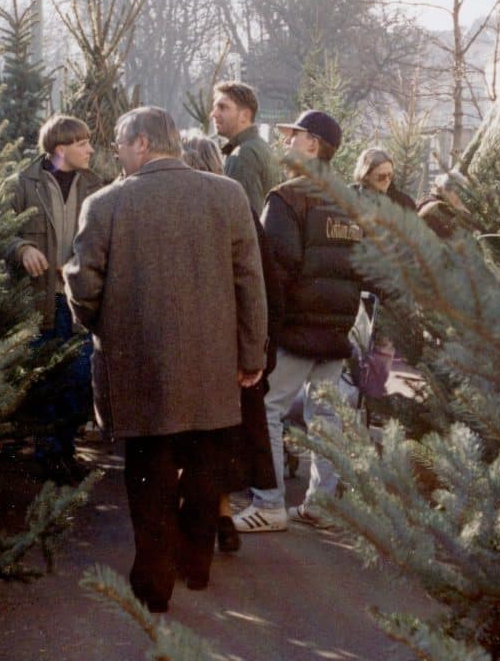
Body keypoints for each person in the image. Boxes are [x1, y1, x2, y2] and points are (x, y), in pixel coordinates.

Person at [64, 107, 267, 613]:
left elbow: (82, 282)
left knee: (148, 474)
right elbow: (250, 282)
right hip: (214, 364)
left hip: (141, 365)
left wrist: (103, 327)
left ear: (142, 143)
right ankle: (195, 567)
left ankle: (153, 584)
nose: (115, 150)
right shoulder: (228, 195)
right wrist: (250, 352)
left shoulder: (105, 203)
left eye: (119, 141)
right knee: (205, 468)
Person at [234, 110, 368, 533]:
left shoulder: (288, 197)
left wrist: (264, 332)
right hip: (335, 332)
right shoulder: (352, 202)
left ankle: (269, 503)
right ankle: (321, 506)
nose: (285, 143)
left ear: (312, 144)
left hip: (294, 331)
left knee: (268, 409)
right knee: (326, 416)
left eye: (292, 136)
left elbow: (275, 270)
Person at [180, 130, 281, 553]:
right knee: (224, 441)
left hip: (197, 351)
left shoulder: (181, 216)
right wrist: (256, 352)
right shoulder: (241, 214)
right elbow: (265, 290)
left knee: (192, 440)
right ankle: (221, 515)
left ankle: (199, 523)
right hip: (236, 353)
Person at [5, 114, 101, 483]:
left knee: (80, 378)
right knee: (47, 381)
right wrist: (22, 247)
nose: (90, 149)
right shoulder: (21, 185)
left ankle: (65, 448)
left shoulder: (95, 186)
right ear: (61, 150)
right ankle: (50, 457)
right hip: (41, 302)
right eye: (82, 144)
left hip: (81, 304)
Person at [210, 80, 278, 214]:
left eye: (223, 107)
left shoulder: (242, 155)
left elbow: (247, 219)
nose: (214, 114)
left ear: (245, 115)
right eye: (215, 108)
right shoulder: (258, 146)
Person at [417, 170, 471, 238]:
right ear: (443, 189)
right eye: (456, 192)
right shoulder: (436, 208)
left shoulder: (430, 202)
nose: (459, 198)